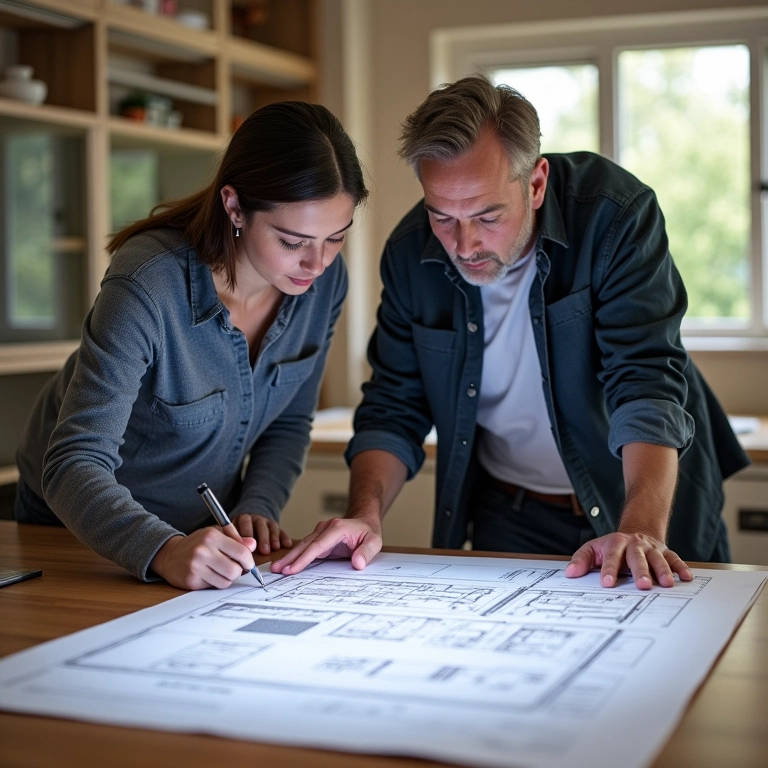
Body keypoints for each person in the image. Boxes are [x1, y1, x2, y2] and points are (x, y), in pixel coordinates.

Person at [273, 74, 749, 590]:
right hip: (512, 510)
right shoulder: (411, 255)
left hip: (643, 503)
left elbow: (646, 382)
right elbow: (394, 405)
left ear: (536, 183)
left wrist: (640, 531)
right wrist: (365, 514)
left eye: (487, 215)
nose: (464, 243)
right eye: (442, 217)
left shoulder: (615, 216)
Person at [14, 101, 368, 590]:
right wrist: (162, 548)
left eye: (336, 238)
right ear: (234, 206)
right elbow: (74, 462)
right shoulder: (148, 283)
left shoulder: (323, 286)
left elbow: (288, 421)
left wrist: (256, 505)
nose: (318, 263)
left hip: (197, 542)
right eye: (292, 241)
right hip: (79, 529)